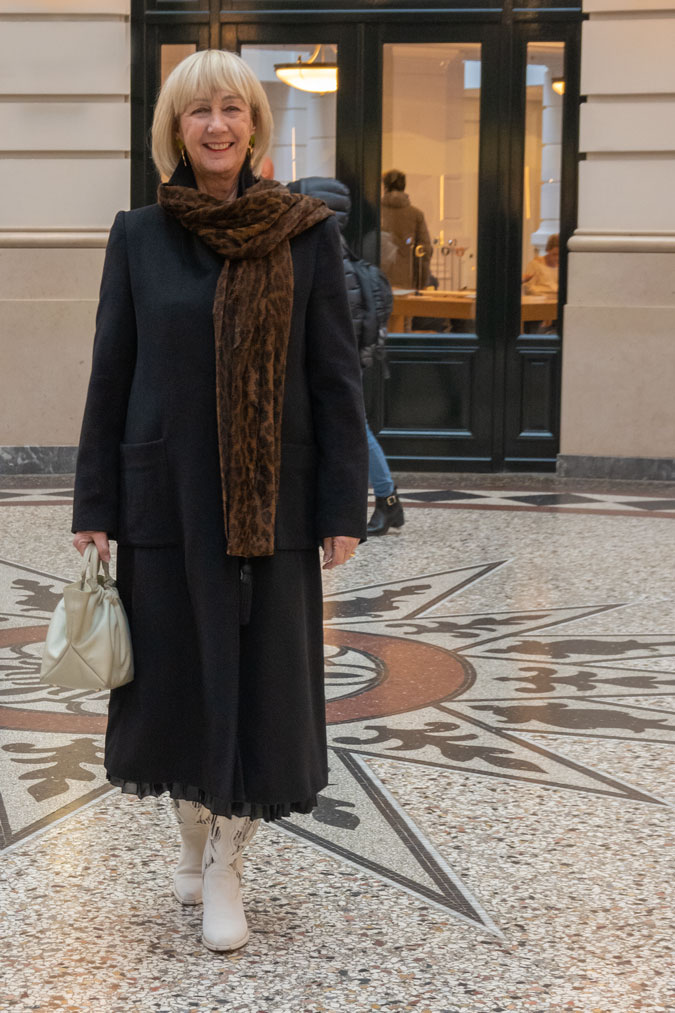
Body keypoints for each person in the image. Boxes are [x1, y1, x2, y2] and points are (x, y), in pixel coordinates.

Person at [70, 49, 368, 953]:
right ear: (174, 127)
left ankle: (227, 863)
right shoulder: (137, 235)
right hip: (166, 501)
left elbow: (334, 379)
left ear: (255, 125)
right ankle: (192, 839)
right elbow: (110, 374)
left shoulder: (305, 233)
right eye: (198, 111)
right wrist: (94, 501)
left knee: (258, 690)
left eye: (233, 108)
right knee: (177, 688)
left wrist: (341, 506)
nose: (217, 126)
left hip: (270, 505)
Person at [288, 177, 405, 537]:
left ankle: (387, 500)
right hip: (345, 363)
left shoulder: (330, 258)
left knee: (357, 431)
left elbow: (341, 325)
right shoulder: (334, 252)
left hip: (339, 366)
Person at [380, 169, 432, 290]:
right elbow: (424, 251)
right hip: (406, 282)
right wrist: (421, 283)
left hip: (379, 282)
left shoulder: (375, 213)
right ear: (404, 186)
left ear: (385, 187)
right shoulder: (416, 214)